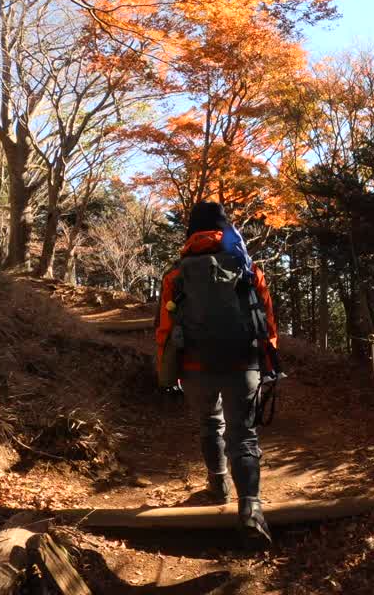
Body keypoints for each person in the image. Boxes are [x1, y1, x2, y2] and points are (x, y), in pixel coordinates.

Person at [155, 201, 279, 547]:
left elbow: (164, 329)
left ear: (191, 232)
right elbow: (267, 320)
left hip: (196, 366)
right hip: (244, 363)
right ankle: (251, 511)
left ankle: (219, 483)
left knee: (210, 423)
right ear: (226, 229)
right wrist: (269, 362)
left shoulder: (176, 274)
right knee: (245, 435)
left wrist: (167, 369)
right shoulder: (248, 268)